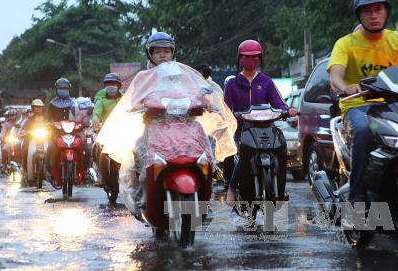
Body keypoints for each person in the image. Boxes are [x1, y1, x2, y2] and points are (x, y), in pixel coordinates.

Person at [97, 32, 237, 217]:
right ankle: (139, 197)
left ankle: (203, 198)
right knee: (136, 158)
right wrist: (138, 105)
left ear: (173, 53)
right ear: (150, 55)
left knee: (206, 156)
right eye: (158, 52)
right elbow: (134, 98)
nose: (163, 55)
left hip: (187, 125)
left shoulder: (185, 74)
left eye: (166, 51)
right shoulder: (143, 77)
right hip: (154, 126)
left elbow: (198, 91)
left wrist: (207, 101)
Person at [327, 0, 398, 203]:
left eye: (378, 9)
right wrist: (345, 86)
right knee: (362, 131)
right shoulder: (346, 43)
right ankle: (357, 194)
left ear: (386, 12)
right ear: (359, 15)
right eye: (367, 10)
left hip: (394, 104)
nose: (374, 14)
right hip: (358, 106)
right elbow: (335, 76)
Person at [224, 39, 297, 200]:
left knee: (281, 148)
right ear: (240, 59)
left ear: (260, 59)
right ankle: (231, 188)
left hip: (267, 128)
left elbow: (278, 103)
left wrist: (288, 111)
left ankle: (280, 187)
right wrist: (226, 116)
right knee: (243, 153)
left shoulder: (266, 81)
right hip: (242, 129)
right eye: (247, 57)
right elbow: (226, 107)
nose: (251, 60)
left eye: (256, 57)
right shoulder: (232, 83)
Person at [92, 72, 123, 187]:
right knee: (97, 149)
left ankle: (133, 174)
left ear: (118, 85)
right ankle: (100, 174)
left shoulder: (124, 98)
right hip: (105, 130)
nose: (111, 86)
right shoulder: (101, 99)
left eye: (113, 83)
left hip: (122, 130)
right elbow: (96, 113)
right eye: (108, 84)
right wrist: (95, 120)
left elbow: (131, 109)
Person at [45, 78, 78, 184]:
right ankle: (49, 172)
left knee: (85, 148)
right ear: (56, 89)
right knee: (49, 149)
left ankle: (84, 172)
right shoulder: (52, 104)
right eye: (60, 88)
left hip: (72, 133)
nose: (62, 90)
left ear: (69, 89)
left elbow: (79, 116)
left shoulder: (75, 103)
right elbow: (47, 119)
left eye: (65, 88)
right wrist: (50, 124)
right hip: (56, 133)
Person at [20, 99, 46, 181]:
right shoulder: (30, 119)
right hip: (32, 139)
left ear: (42, 108)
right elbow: (24, 129)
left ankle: (50, 171)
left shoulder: (47, 117)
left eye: (40, 107)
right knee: (25, 149)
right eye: (36, 107)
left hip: (46, 139)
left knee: (54, 149)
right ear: (33, 108)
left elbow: (52, 126)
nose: (38, 109)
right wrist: (25, 132)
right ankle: (26, 171)